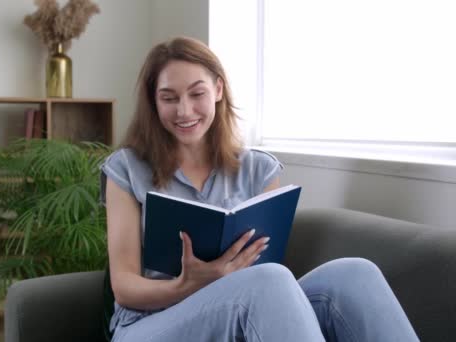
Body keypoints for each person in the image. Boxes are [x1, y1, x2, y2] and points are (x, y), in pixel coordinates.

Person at [101, 36, 419, 342]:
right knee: (268, 281)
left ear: (218, 89)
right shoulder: (126, 168)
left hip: (239, 308)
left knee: (354, 273)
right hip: (149, 324)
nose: (184, 111)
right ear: (154, 102)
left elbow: (264, 270)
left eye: (196, 94)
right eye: (169, 98)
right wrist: (187, 285)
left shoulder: (258, 169)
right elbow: (125, 287)